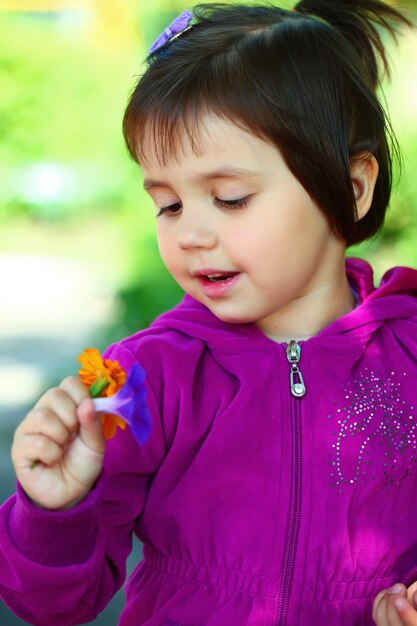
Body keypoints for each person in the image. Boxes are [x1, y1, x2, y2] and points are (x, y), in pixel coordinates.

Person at [0, 1, 416, 624]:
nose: (190, 234)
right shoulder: (133, 377)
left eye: (229, 198)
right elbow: (52, 603)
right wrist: (55, 508)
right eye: (167, 204)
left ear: (351, 187)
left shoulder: (408, 350)